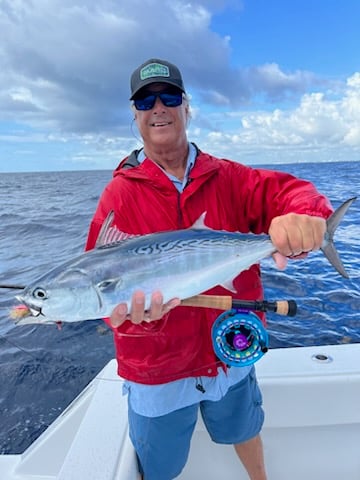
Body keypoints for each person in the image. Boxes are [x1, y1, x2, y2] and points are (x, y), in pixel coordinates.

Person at [85, 58, 333, 480]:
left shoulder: (230, 178)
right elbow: (105, 294)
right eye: (146, 100)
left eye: (169, 97)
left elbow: (292, 193)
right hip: (156, 367)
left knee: (245, 430)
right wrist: (135, 322)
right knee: (159, 466)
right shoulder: (118, 196)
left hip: (229, 350)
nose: (158, 107)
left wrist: (305, 217)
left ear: (187, 107)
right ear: (134, 113)